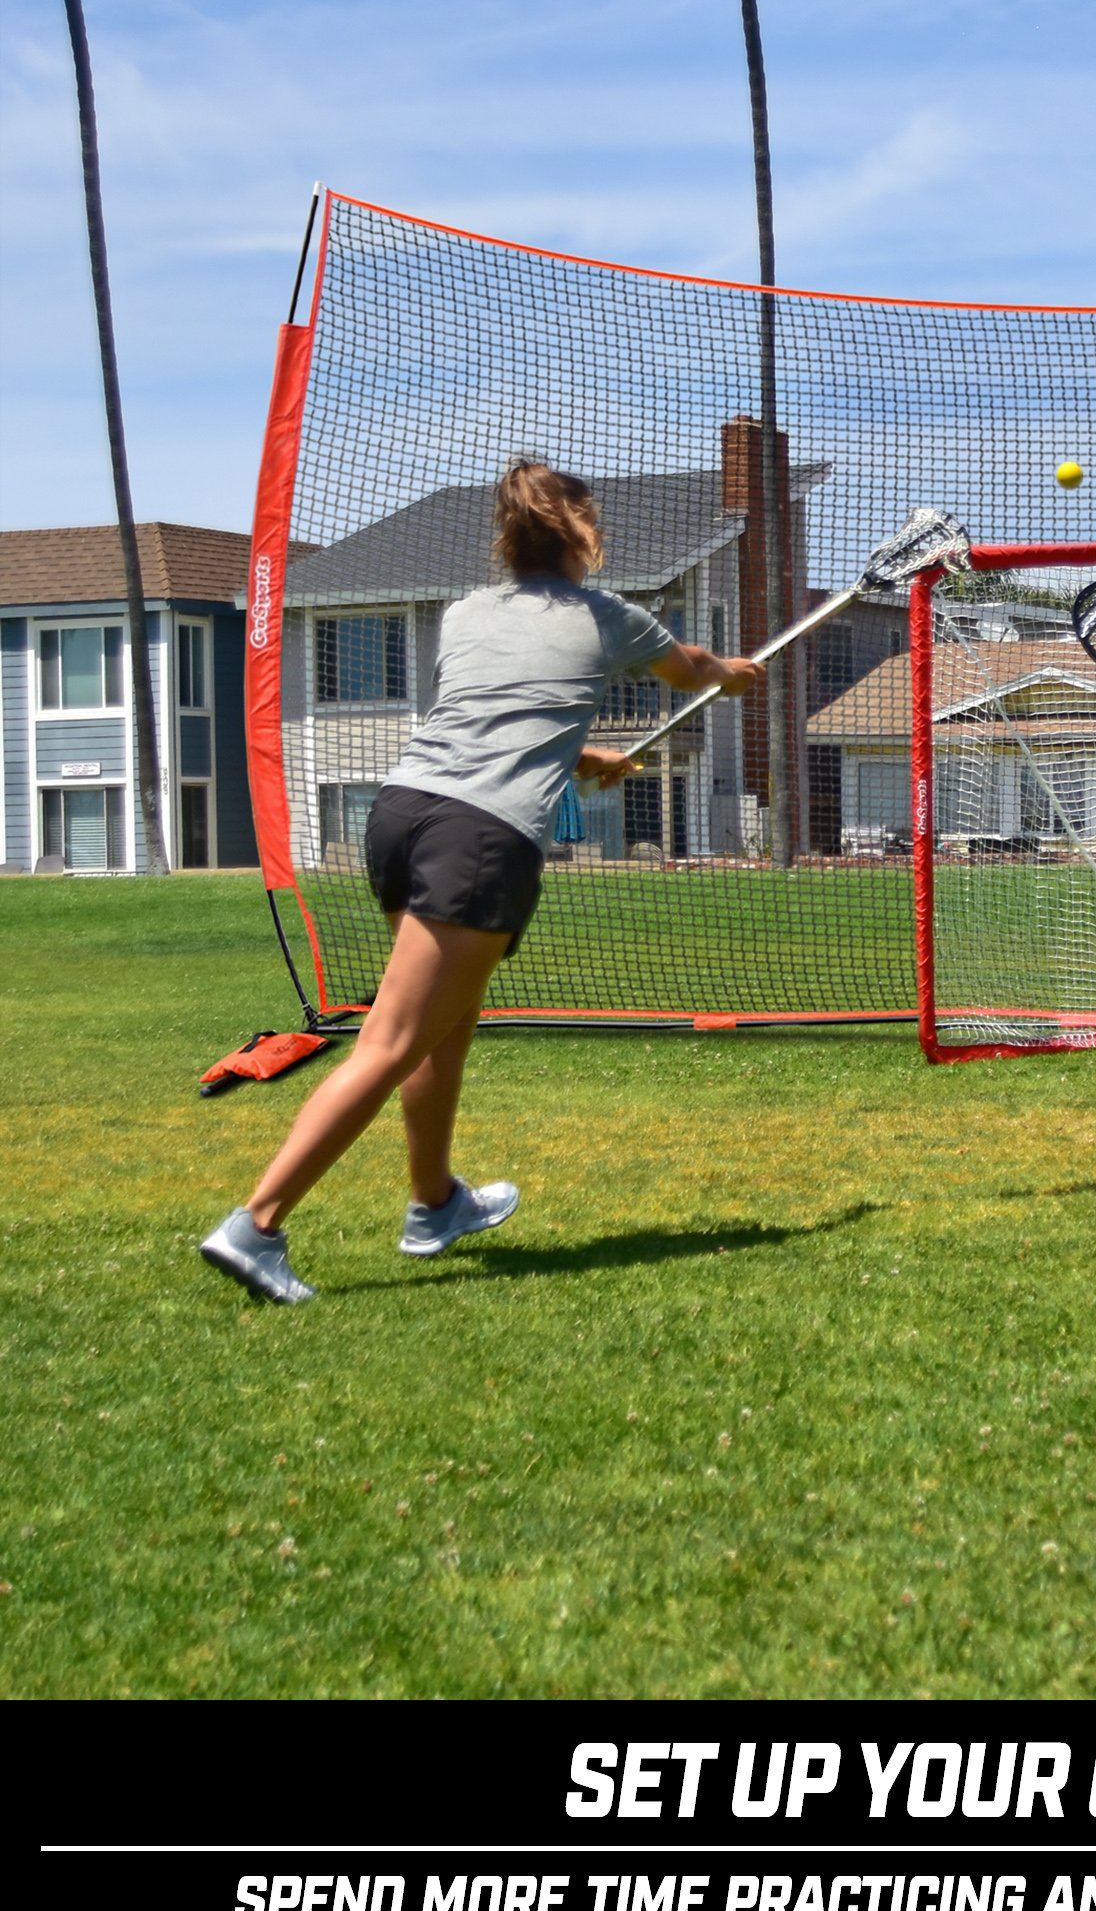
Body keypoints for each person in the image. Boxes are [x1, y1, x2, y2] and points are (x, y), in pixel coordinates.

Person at [199, 459, 765, 1303]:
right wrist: (731, 672)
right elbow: (687, 668)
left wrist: (581, 752)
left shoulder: (466, 612)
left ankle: (434, 1204)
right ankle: (258, 1224)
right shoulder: (612, 616)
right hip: (480, 835)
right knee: (393, 1040)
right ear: (584, 535)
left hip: (402, 814)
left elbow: (493, 713)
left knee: (444, 1026)